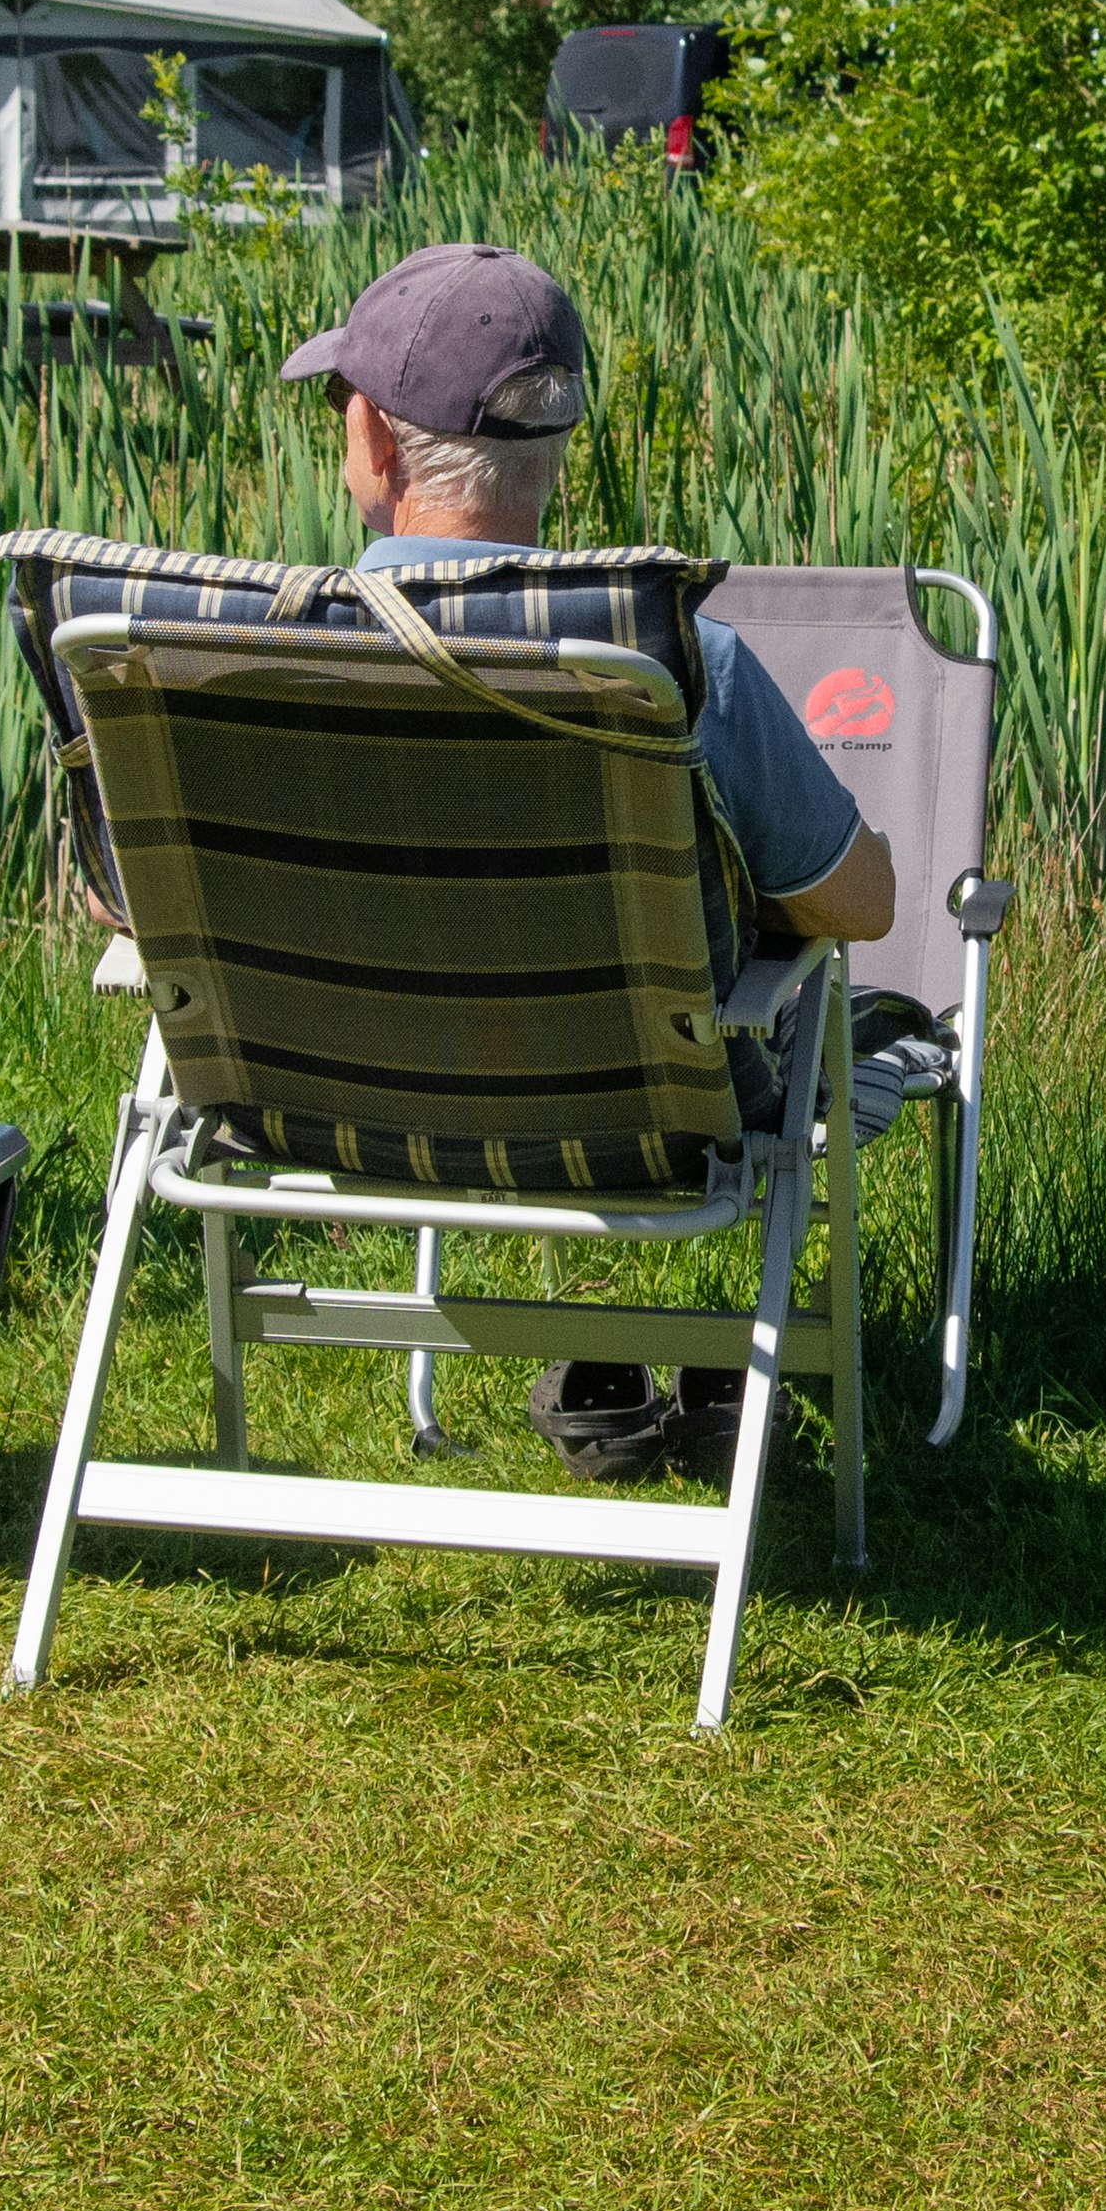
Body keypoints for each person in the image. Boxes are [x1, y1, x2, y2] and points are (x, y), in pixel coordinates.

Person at [278, 240, 891, 1477]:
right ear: (549, 455)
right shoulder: (664, 658)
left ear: (382, 451)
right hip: (636, 1116)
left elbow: (131, 902)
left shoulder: (244, 649)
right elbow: (861, 901)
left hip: (311, 1103)